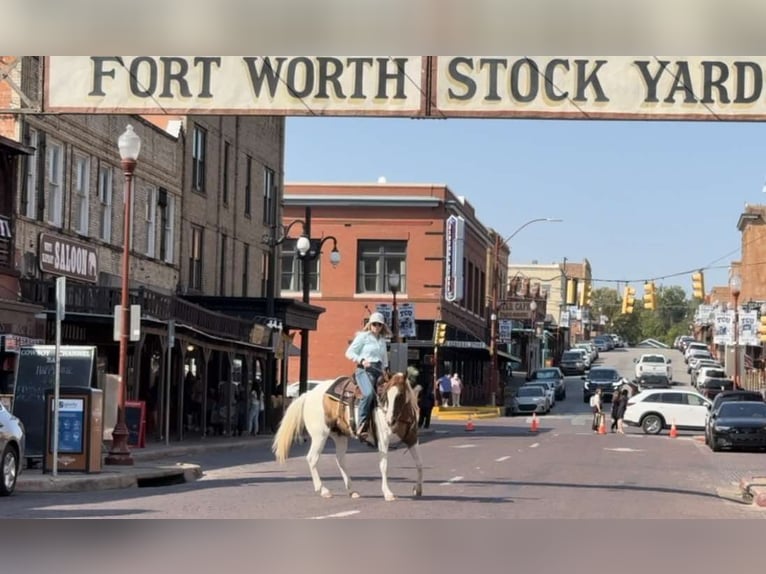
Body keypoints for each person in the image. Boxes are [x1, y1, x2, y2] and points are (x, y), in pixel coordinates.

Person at [345, 312, 391, 445]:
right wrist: (361, 359)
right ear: (370, 324)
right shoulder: (363, 337)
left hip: (378, 370)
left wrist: (385, 369)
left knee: (387, 394)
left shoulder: (382, 340)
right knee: (369, 394)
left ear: (382, 326)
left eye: (379, 324)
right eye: (374, 324)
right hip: (364, 370)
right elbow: (349, 352)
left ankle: (380, 426)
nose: (376, 326)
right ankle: (362, 424)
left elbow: (384, 358)